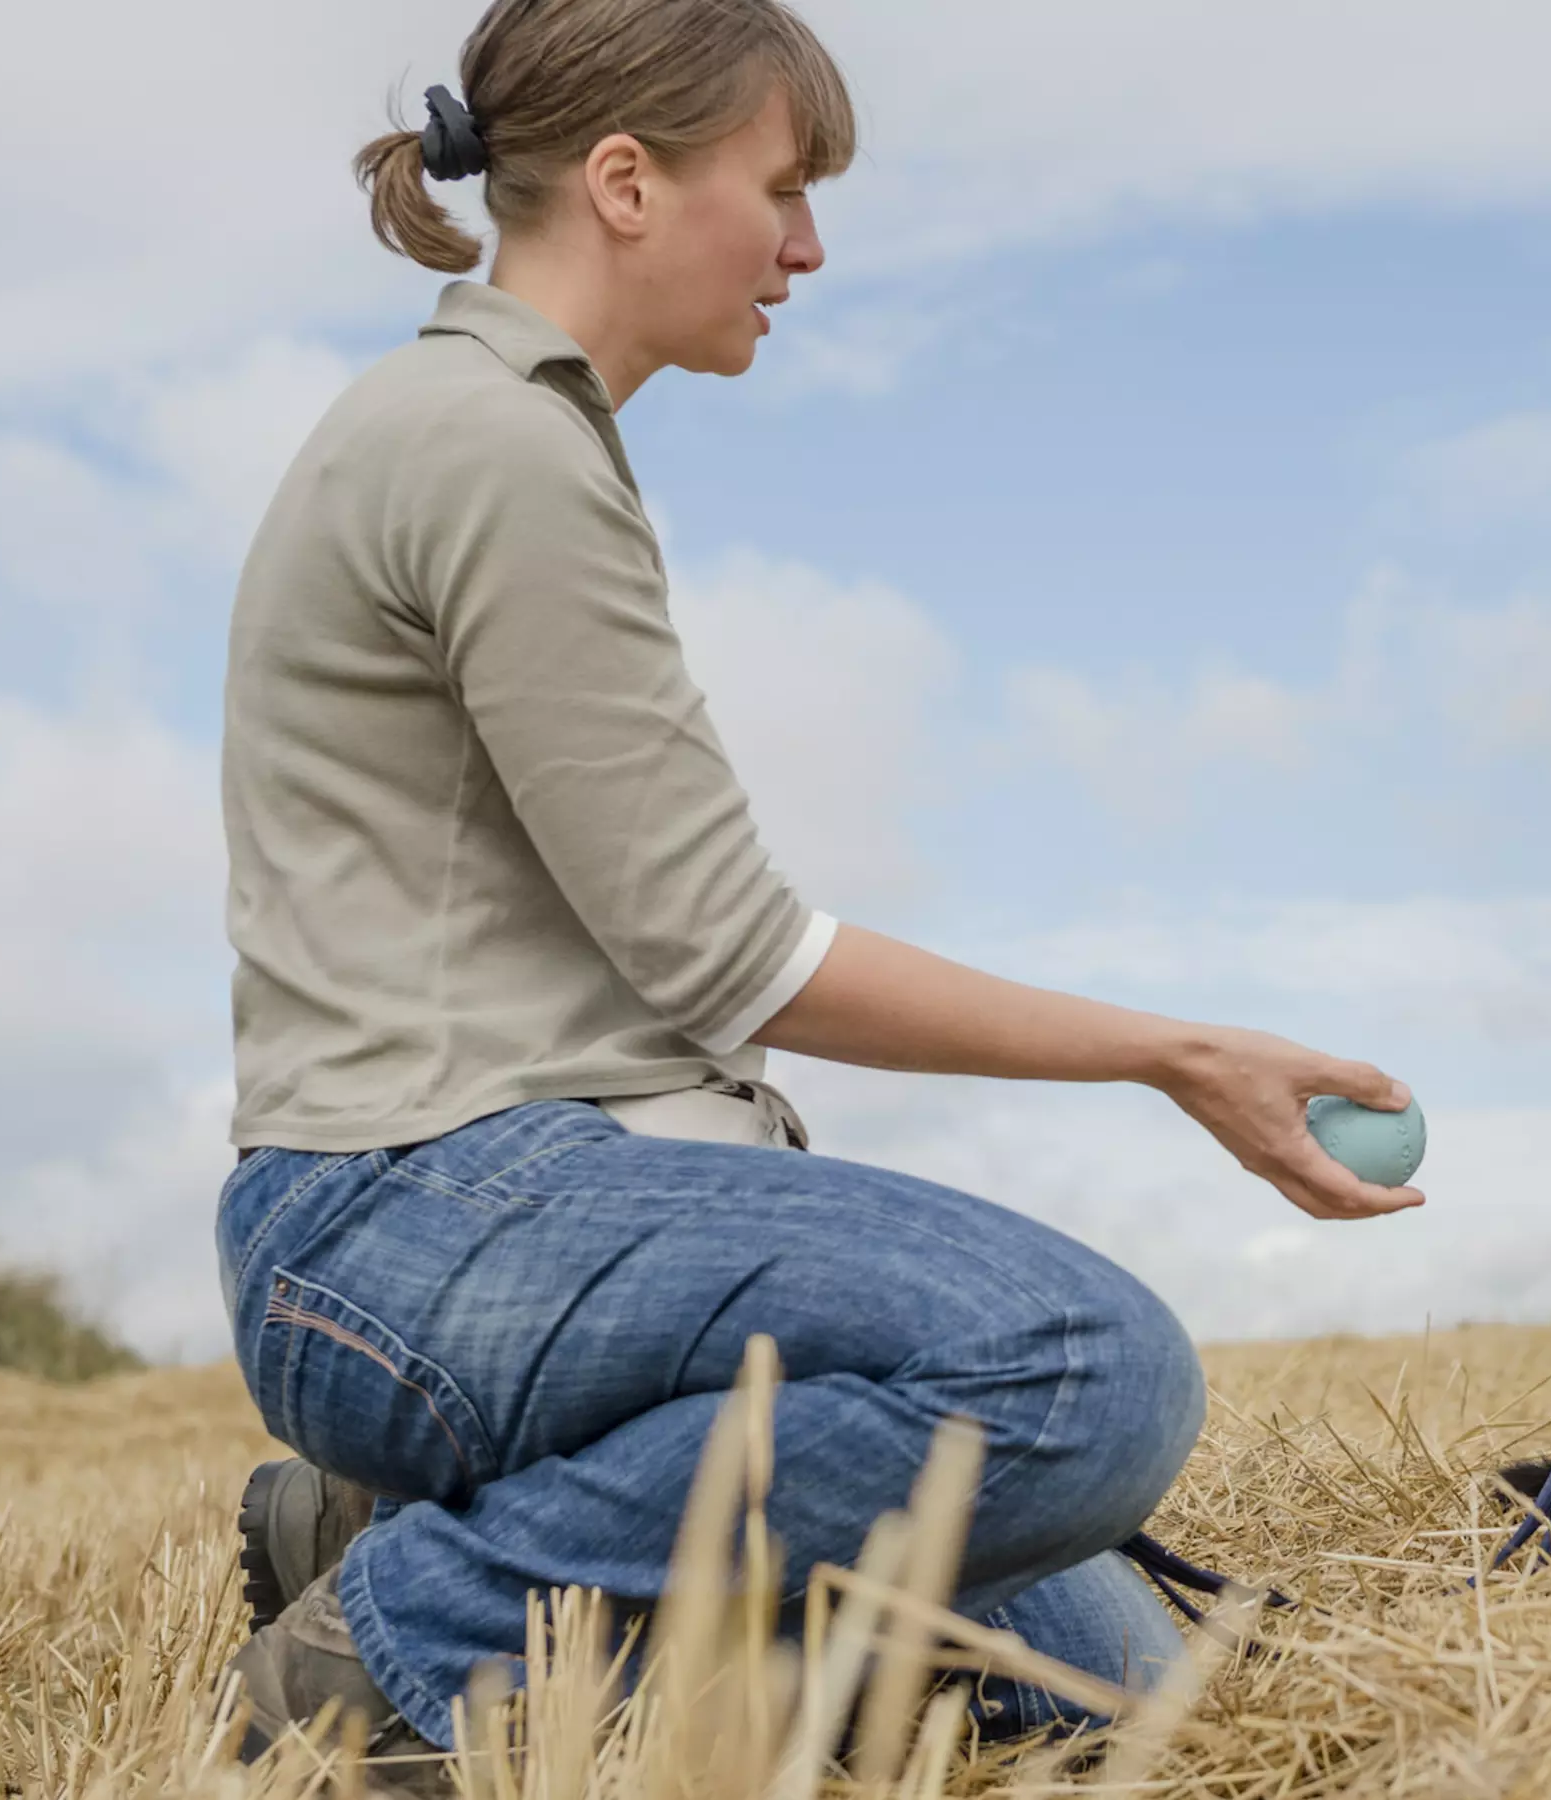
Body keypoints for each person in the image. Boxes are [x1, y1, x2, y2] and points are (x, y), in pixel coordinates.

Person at [211, 0, 1422, 1775]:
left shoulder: (506, 432)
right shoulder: (488, 446)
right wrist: (1176, 1057)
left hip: (519, 1212)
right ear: (627, 182)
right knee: (1089, 1373)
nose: (808, 245)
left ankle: (414, 1522)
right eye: (781, 187)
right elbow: (733, 953)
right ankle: (416, 1636)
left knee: (1109, 1693)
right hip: (411, 1219)